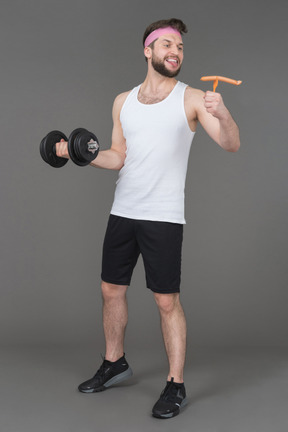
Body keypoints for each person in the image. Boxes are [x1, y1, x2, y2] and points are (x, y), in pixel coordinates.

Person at [56, 18, 240, 419]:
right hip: (123, 210)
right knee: (111, 290)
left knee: (166, 300)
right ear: (148, 50)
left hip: (163, 216)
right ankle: (114, 362)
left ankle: (176, 385)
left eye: (180, 47)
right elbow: (117, 155)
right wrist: (80, 155)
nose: (175, 51)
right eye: (168, 44)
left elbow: (231, 144)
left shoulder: (191, 98)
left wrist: (223, 114)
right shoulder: (123, 101)